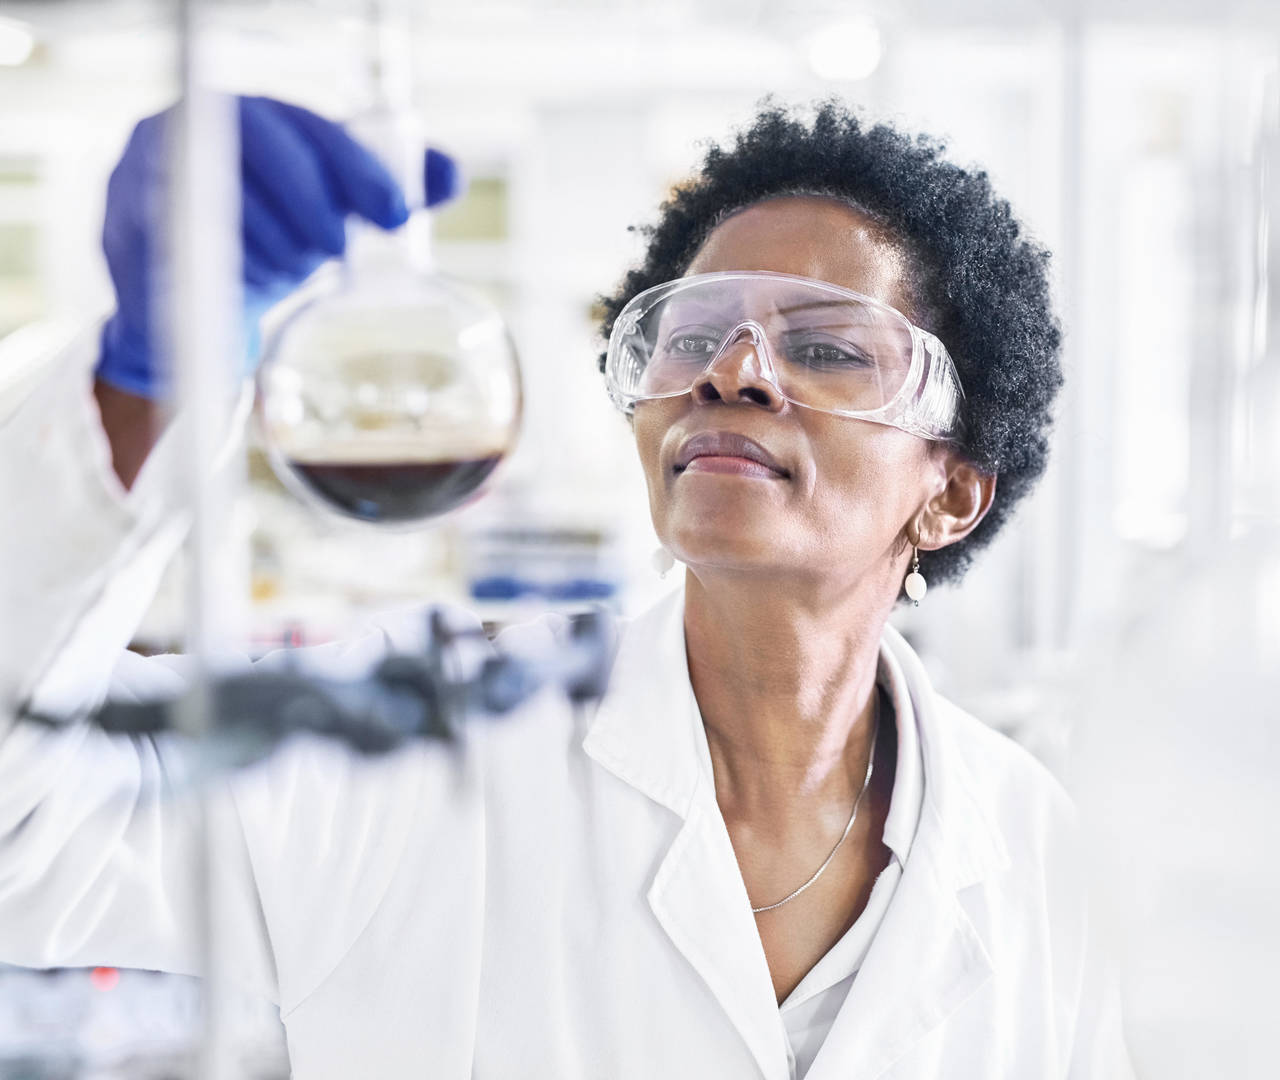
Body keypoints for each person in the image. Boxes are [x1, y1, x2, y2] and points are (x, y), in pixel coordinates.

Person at [0, 96, 1127, 1078]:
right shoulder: (419, 745)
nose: (731, 371)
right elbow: (29, 825)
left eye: (827, 348)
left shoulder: (1024, 836)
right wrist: (140, 383)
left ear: (952, 493)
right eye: (691, 335)